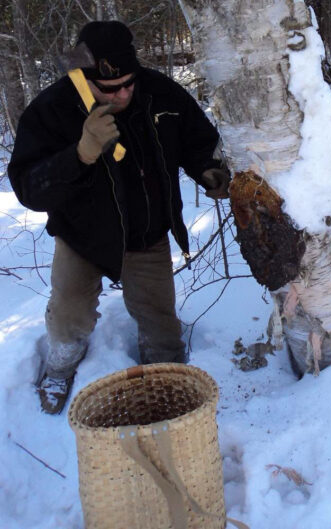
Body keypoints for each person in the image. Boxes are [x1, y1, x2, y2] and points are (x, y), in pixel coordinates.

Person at [8, 21, 230, 414]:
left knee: (161, 325)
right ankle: (60, 367)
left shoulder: (160, 91)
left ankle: (168, 385)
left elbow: (197, 139)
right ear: (82, 76)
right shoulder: (53, 109)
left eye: (128, 82)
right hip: (84, 238)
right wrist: (80, 153)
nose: (123, 93)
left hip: (147, 232)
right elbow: (29, 189)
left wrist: (208, 169)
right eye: (109, 88)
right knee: (68, 318)